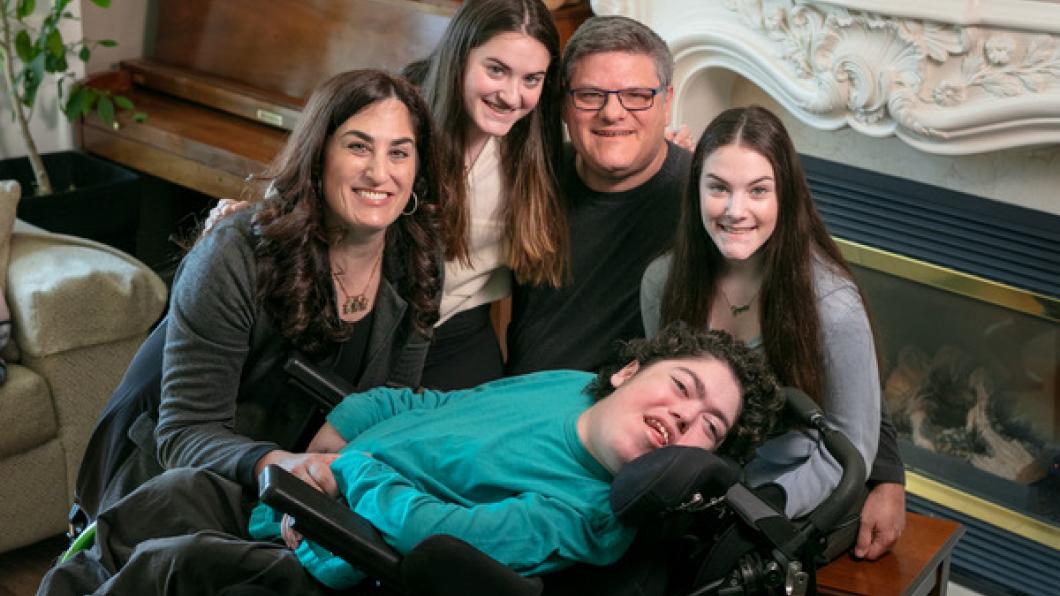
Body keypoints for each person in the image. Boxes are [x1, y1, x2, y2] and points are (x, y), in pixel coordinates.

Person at [504, 15, 905, 559]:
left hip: (709, 480)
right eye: (591, 94)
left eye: (637, 94)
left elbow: (846, 408)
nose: (613, 111)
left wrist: (886, 475)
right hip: (578, 431)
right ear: (564, 104)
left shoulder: (809, 284)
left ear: (666, 103)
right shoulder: (541, 182)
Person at [42, 323, 780, 595]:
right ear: (629, 373)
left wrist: (344, 476)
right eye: (683, 388)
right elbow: (432, 406)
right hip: (304, 493)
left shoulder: (588, 515)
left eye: (708, 428)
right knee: (162, 495)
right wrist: (341, 430)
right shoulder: (566, 387)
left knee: (173, 564)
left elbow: (442, 540)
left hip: (340, 558)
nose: (684, 417)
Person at [67, 68, 445, 530]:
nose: (379, 172)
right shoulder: (234, 253)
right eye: (358, 146)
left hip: (303, 497)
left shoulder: (420, 260)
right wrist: (279, 465)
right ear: (318, 155)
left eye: (399, 153)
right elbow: (184, 433)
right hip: (182, 492)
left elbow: (389, 408)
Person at [208, 0, 568, 390]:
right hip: (363, 326)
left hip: (457, 336)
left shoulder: (539, 140)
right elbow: (307, 180)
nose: (512, 96)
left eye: (531, 79)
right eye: (496, 70)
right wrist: (250, 223)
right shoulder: (398, 111)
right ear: (460, 57)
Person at [641, 104, 881, 518]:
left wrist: (758, 508)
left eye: (757, 190)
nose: (736, 211)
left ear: (784, 197)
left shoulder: (834, 306)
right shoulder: (660, 281)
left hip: (786, 503)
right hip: (688, 491)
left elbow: (852, 446)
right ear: (695, 190)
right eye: (718, 188)